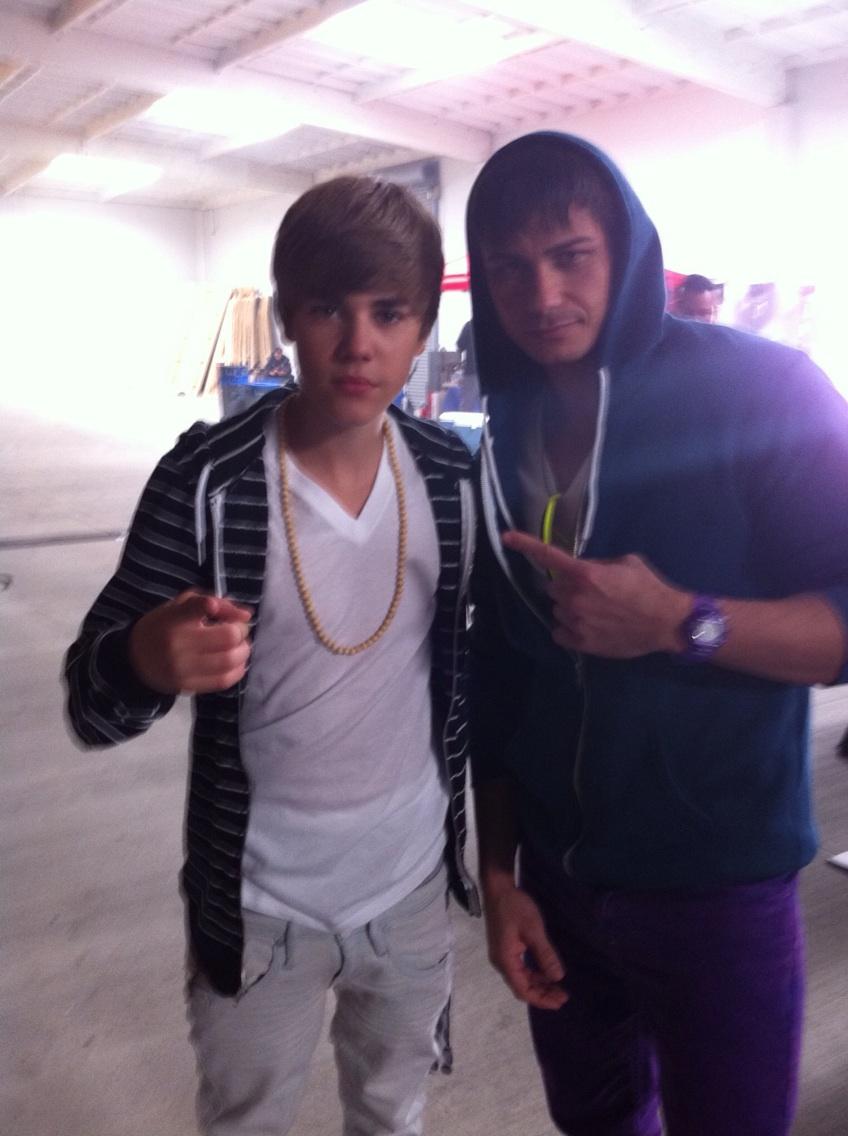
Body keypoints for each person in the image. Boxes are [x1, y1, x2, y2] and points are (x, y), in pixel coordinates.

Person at [64, 175, 480, 1136]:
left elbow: (487, 679)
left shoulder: (453, 479)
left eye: (389, 313)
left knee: (394, 1113)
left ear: (424, 328)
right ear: (287, 317)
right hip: (257, 911)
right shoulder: (206, 481)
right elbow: (90, 703)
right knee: (246, 1120)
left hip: (411, 892)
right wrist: (143, 658)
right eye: (328, 308)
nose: (358, 343)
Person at [465, 131, 848, 1136]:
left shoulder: (763, 391)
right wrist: (499, 873)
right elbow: (497, 672)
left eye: (570, 255)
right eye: (509, 267)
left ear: (625, 249)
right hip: (556, 879)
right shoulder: (502, 425)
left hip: (715, 882)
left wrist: (684, 621)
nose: (542, 293)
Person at [456, 318, 482, 411]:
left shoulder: (469, 325)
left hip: (471, 372)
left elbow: (459, 346)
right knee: (487, 407)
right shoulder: (492, 326)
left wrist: (458, 365)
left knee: (467, 404)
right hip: (488, 374)